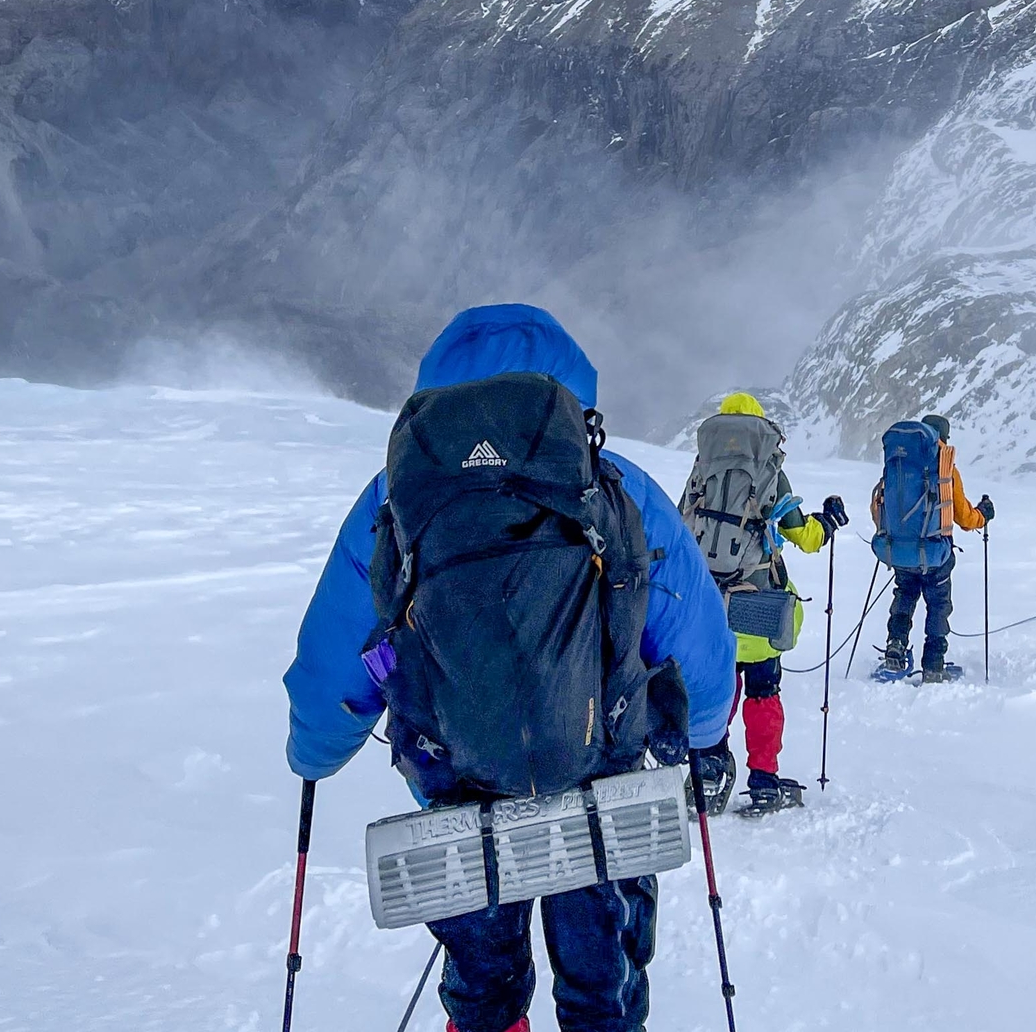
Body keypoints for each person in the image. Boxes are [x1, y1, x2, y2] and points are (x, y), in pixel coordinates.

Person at [283, 305, 735, 1032]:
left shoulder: (395, 497)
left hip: (459, 784)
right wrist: (706, 731)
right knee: (603, 985)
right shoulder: (615, 483)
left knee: (483, 985)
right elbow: (694, 634)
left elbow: (336, 651)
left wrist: (314, 746)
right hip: (599, 780)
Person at [678, 391, 848, 817]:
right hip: (757, 607)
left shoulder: (702, 470)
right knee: (763, 693)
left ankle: (711, 768)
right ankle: (764, 781)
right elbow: (804, 537)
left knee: (719, 687)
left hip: (710, 608)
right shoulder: (770, 471)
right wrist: (827, 522)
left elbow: (683, 526)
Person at [871, 412, 990, 682]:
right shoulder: (945, 468)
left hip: (900, 551)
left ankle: (895, 651)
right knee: (938, 605)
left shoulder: (898, 463)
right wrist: (983, 515)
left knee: (904, 596)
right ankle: (934, 666)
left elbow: (879, 506)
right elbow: (963, 517)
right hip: (936, 554)